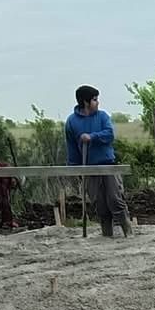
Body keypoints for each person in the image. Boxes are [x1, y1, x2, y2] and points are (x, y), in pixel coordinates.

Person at [65, 85, 130, 237]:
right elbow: (72, 147)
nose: (98, 102)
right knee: (99, 203)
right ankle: (107, 233)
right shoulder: (71, 122)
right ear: (85, 102)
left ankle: (128, 230)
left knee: (115, 199)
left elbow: (109, 135)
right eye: (94, 100)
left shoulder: (102, 116)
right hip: (88, 167)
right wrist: (75, 167)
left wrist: (92, 136)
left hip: (107, 165)